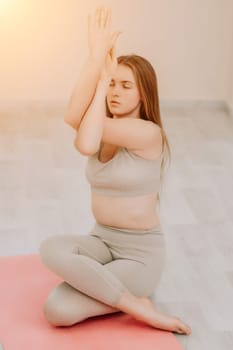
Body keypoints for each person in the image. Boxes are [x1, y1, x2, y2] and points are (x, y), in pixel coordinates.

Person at [39, 6, 192, 335]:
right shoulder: (101, 124)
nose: (114, 93)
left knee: (58, 310)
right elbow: (74, 118)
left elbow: (85, 140)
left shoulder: (147, 133)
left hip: (140, 257)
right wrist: (95, 62)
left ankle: (136, 302)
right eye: (112, 85)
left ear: (143, 94)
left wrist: (104, 73)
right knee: (50, 248)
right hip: (101, 241)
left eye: (125, 86)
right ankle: (134, 303)